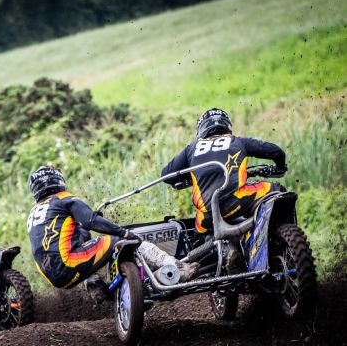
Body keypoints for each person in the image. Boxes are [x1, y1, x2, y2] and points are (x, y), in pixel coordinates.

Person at [27, 166, 199, 300]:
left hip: (53, 277)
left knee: (82, 234)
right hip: (69, 263)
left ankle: (94, 284)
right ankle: (179, 268)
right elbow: (91, 221)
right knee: (126, 240)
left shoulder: (33, 214)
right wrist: (123, 232)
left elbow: (79, 231)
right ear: (57, 180)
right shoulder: (63, 198)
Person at [161, 108, 286, 270]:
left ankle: (215, 258)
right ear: (227, 125)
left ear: (201, 129)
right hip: (237, 201)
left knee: (199, 237)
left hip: (207, 213)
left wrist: (190, 176)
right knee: (276, 189)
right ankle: (279, 241)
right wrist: (279, 167)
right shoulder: (237, 141)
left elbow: (166, 175)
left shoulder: (191, 149)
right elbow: (275, 151)